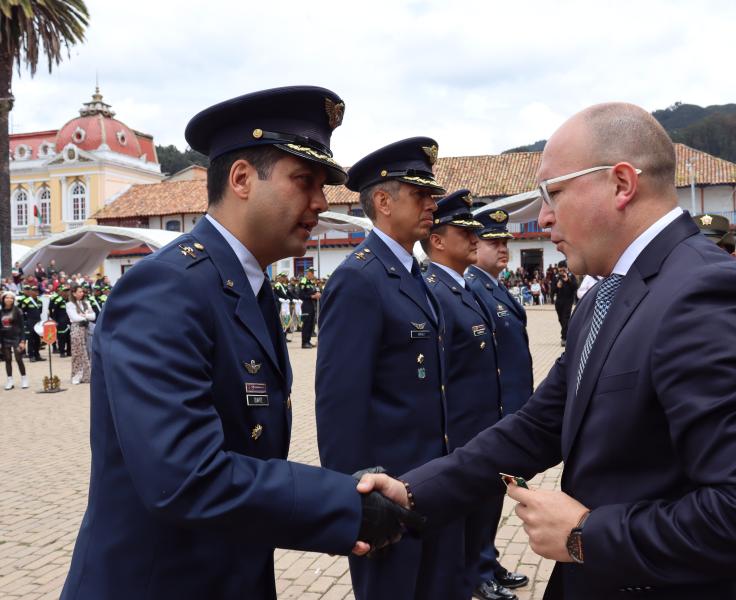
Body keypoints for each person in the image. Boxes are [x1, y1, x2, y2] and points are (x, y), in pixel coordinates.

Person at [359, 102, 736, 599]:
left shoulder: (705, 292)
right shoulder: (608, 293)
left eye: (554, 192)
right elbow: (538, 425)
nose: (544, 216)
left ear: (620, 184)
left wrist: (586, 536)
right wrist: (412, 491)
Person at [60, 87, 418, 600]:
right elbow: (184, 476)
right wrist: (345, 504)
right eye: (304, 181)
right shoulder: (166, 288)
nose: (321, 202)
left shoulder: (247, 284)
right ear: (243, 179)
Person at [315, 137, 465, 600]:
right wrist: (358, 504)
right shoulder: (359, 279)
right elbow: (341, 407)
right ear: (383, 201)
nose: (432, 204)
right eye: (420, 194)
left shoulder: (412, 273)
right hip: (388, 495)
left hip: (431, 486)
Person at [420, 191, 506, 600]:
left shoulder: (466, 287)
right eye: (464, 231)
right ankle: (474, 574)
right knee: (467, 512)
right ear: (437, 239)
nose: (476, 238)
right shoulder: (436, 290)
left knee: (484, 507)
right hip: (462, 430)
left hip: (484, 424)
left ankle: (479, 569)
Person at [465, 207, 532, 598]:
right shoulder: (473, 287)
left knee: (492, 496)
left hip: (508, 410)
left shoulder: (493, 284)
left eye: (506, 241)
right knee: (481, 496)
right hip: (490, 413)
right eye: (494, 242)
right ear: (475, 246)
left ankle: (487, 559)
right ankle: (477, 568)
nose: (503, 248)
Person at [65, 284, 95, 385]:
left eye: (82, 291)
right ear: (74, 293)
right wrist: (86, 316)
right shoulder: (70, 304)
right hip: (77, 329)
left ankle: (87, 375)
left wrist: (84, 315)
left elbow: (94, 316)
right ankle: (76, 375)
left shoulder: (86, 303)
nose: (82, 293)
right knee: (77, 352)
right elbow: (74, 318)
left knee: (87, 351)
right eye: (79, 292)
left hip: (86, 329)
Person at [0, 291, 27, 389]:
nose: (9, 299)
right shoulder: (1, 311)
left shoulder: (18, 311)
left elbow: (22, 327)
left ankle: (24, 379)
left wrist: (23, 340)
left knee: (19, 359)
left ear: (13, 300)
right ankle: (9, 381)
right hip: (4, 338)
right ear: (3, 299)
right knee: (7, 360)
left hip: (16, 338)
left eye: (11, 298)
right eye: (7, 297)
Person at [554, 260, 577, 346]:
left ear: (567, 269)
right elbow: (552, 290)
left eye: (563, 270)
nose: (561, 272)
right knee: (561, 319)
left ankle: (564, 338)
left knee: (565, 319)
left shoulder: (571, 276)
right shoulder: (556, 277)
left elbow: (575, 287)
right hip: (559, 301)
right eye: (560, 270)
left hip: (568, 301)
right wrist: (556, 287)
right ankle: (566, 332)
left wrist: (568, 280)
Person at [17, 284, 43, 362]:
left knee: (38, 340)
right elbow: (21, 312)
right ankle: (31, 356)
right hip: (30, 322)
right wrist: (25, 321)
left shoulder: (40, 301)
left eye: (37, 291)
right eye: (34, 291)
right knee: (31, 339)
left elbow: (40, 311)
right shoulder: (26, 301)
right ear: (31, 292)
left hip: (38, 322)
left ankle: (37, 355)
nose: (36, 292)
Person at [298, 267, 320, 348]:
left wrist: (317, 294)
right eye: (311, 272)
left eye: (313, 272)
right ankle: (304, 343)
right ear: (308, 273)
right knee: (306, 324)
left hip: (312, 305)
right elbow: (301, 295)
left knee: (311, 324)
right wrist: (312, 296)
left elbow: (314, 292)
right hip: (306, 305)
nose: (313, 274)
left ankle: (308, 341)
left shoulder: (311, 283)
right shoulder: (303, 281)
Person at [50, 284, 71, 357]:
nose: (66, 293)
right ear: (61, 292)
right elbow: (53, 312)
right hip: (60, 322)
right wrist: (55, 321)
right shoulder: (58, 300)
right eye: (65, 291)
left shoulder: (70, 300)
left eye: (67, 291)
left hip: (69, 321)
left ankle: (69, 351)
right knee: (61, 337)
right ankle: (62, 352)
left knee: (69, 337)